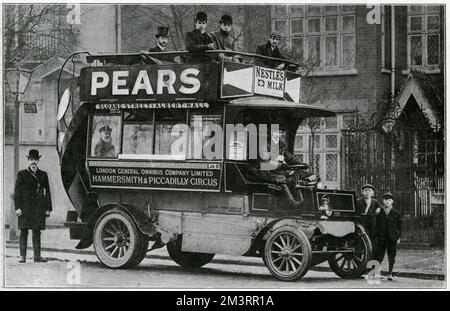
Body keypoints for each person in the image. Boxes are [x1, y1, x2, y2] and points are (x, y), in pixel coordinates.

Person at [14, 149, 52, 263]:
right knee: (24, 231)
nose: (33, 162)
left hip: (38, 209)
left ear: (38, 160)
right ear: (28, 160)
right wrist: (17, 207)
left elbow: (47, 192)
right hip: (25, 208)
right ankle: (22, 256)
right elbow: (17, 192)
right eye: (31, 159)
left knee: (37, 232)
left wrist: (48, 208)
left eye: (35, 159)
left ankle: (37, 256)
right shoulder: (22, 174)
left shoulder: (43, 175)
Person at [375, 192, 402, 281]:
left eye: (389, 200)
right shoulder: (379, 212)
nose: (387, 202)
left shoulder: (396, 213)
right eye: (385, 200)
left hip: (392, 238)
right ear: (383, 201)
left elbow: (399, 226)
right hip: (382, 238)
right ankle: (377, 273)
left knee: (392, 256)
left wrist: (398, 237)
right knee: (379, 255)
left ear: (392, 201)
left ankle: (390, 273)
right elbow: (376, 225)